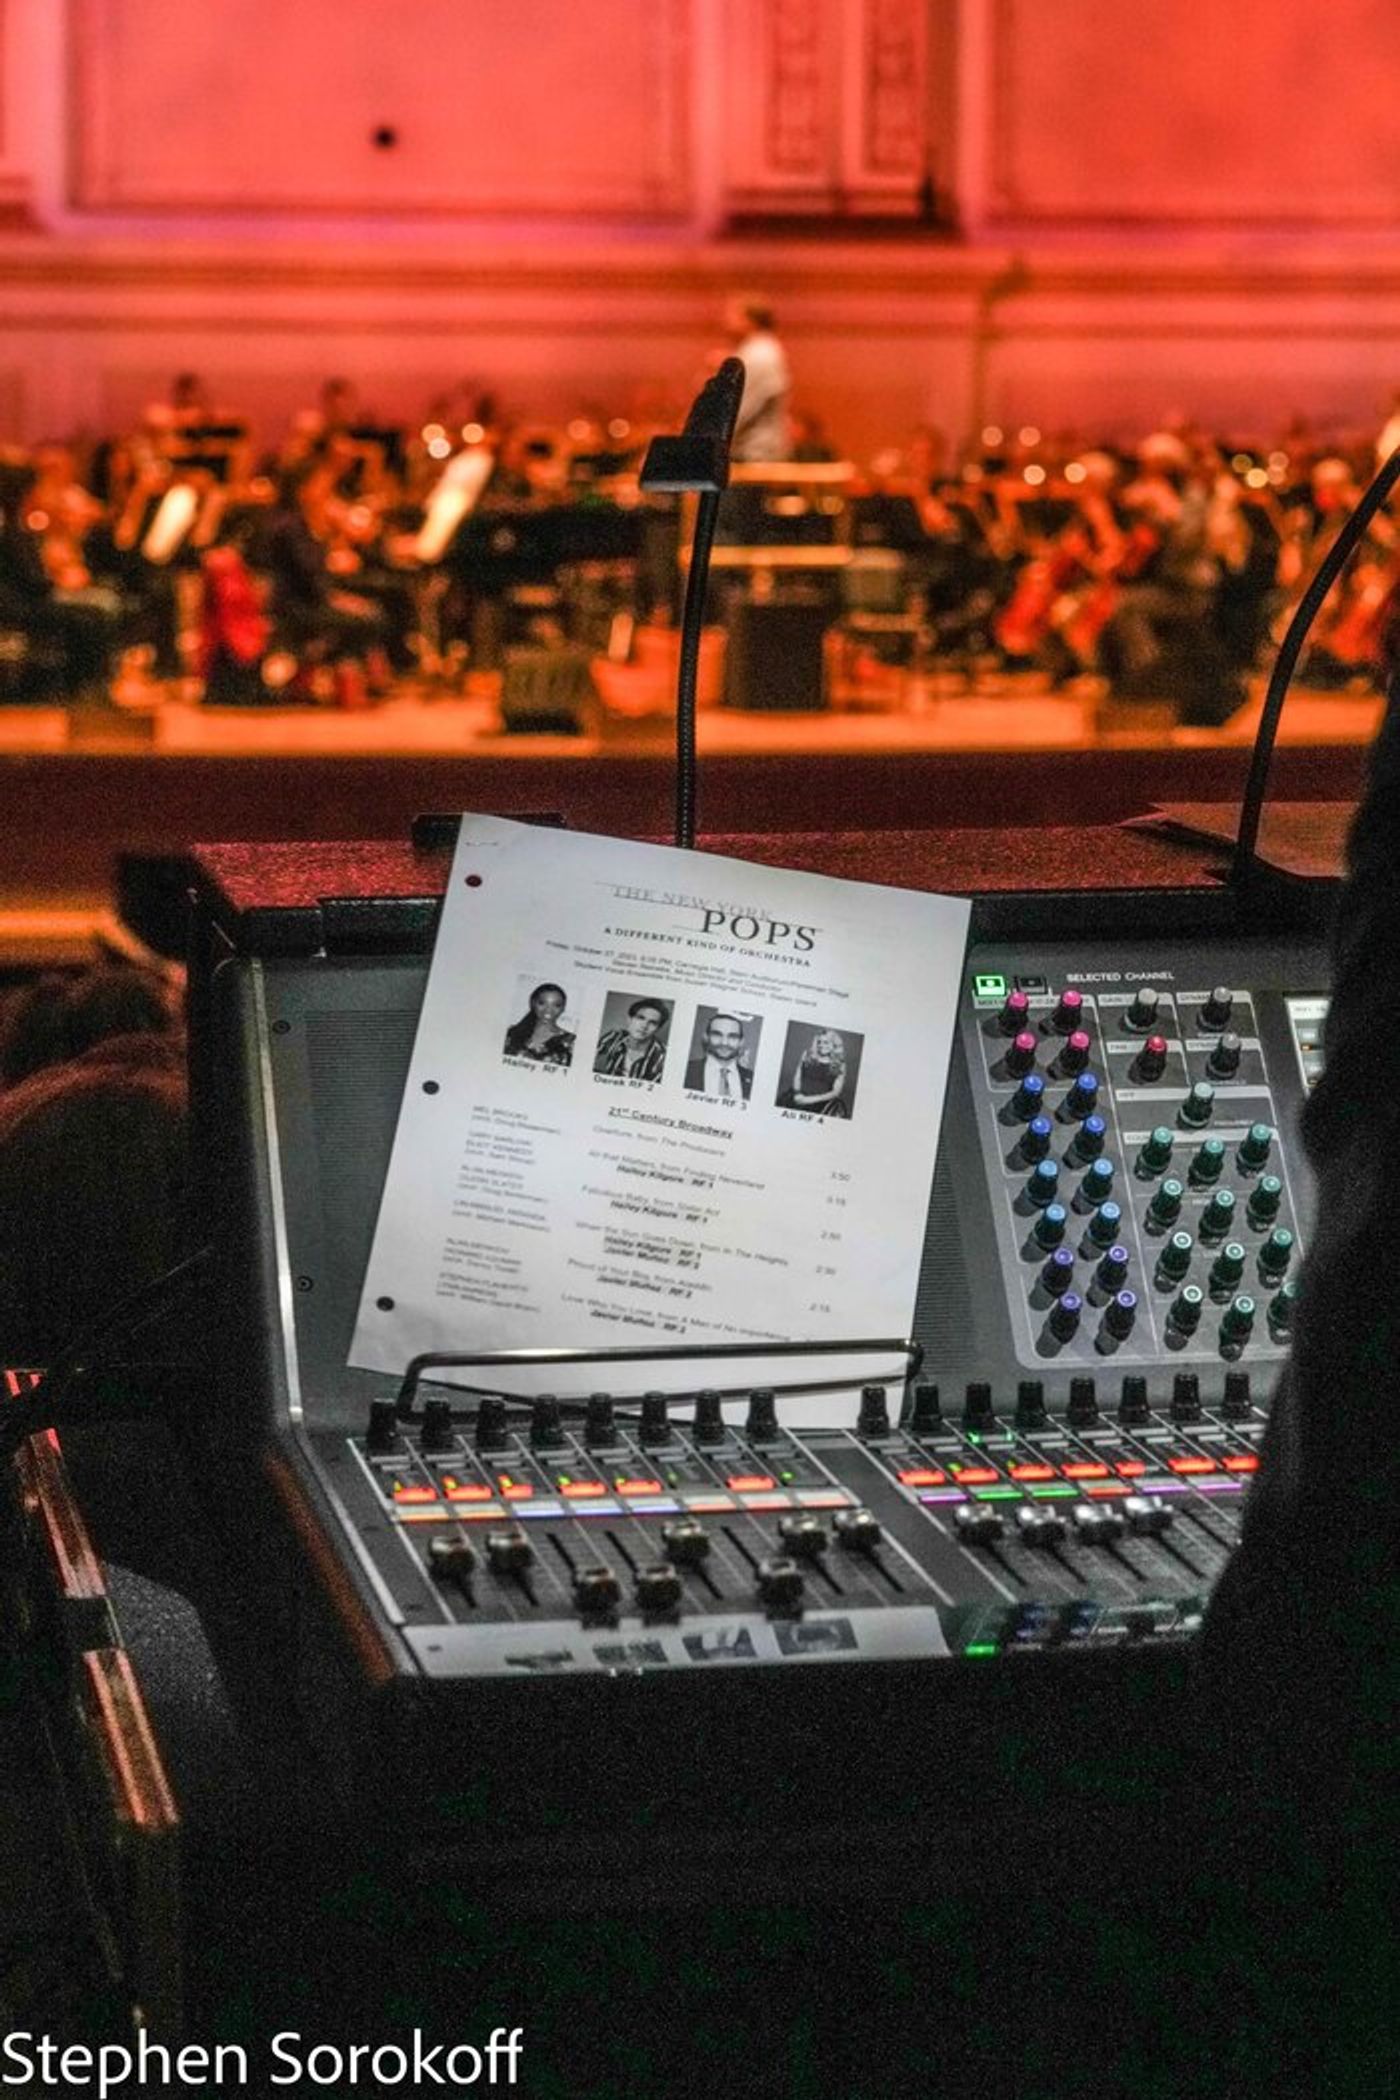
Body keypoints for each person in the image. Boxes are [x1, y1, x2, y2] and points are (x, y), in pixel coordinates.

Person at [593, 998, 669, 1082]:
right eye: (640, 1018)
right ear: (629, 1020)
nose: (644, 1026)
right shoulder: (614, 1037)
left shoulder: (663, 1055)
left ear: (658, 1029)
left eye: (652, 1023)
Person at [778, 1029, 850, 1116]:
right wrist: (797, 1093)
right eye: (819, 1042)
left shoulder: (839, 1064)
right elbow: (797, 1077)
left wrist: (809, 1100)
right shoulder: (807, 1055)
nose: (821, 1045)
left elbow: (836, 1092)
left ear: (834, 1045)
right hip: (799, 1095)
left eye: (826, 1042)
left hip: (820, 1101)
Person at [684, 1013, 753, 1098]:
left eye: (732, 1036)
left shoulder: (753, 1079)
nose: (724, 1043)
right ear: (706, 1037)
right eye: (717, 1035)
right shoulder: (685, 1070)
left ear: (741, 1042)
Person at [503, 982, 574, 1064]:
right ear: (533, 1003)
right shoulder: (512, 1032)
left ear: (563, 1008)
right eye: (542, 1003)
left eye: (556, 1005)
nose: (548, 1010)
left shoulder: (570, 1042)